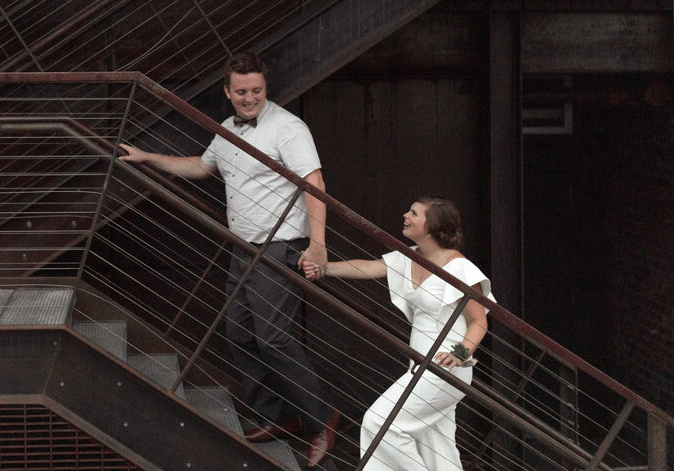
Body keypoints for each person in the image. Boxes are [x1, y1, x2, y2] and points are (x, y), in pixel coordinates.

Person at [120, 51, 340, 468]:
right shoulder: (224, 130)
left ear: (264, 89)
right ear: (228, 92)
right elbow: (203, 167)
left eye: (256, 90)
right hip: (243, 248)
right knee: (239, 334)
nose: (249, 97)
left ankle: (321, 418)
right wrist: (149, 158)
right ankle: (278, 416)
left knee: (273, 337)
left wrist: (318, 244)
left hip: (281, 246)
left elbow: (315, 183)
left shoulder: (288, 128)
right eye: (241, 91)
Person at [302, 196, 493, 471]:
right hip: (420, 364)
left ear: (432, 227)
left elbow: (478, 322)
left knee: (380, 424)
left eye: (414, 213)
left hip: (445, 367)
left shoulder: (460, 268)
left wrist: (460, 353)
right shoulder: (412, 256)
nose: (406, 215)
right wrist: (324, 268)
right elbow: (368, 267)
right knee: (439, 450)